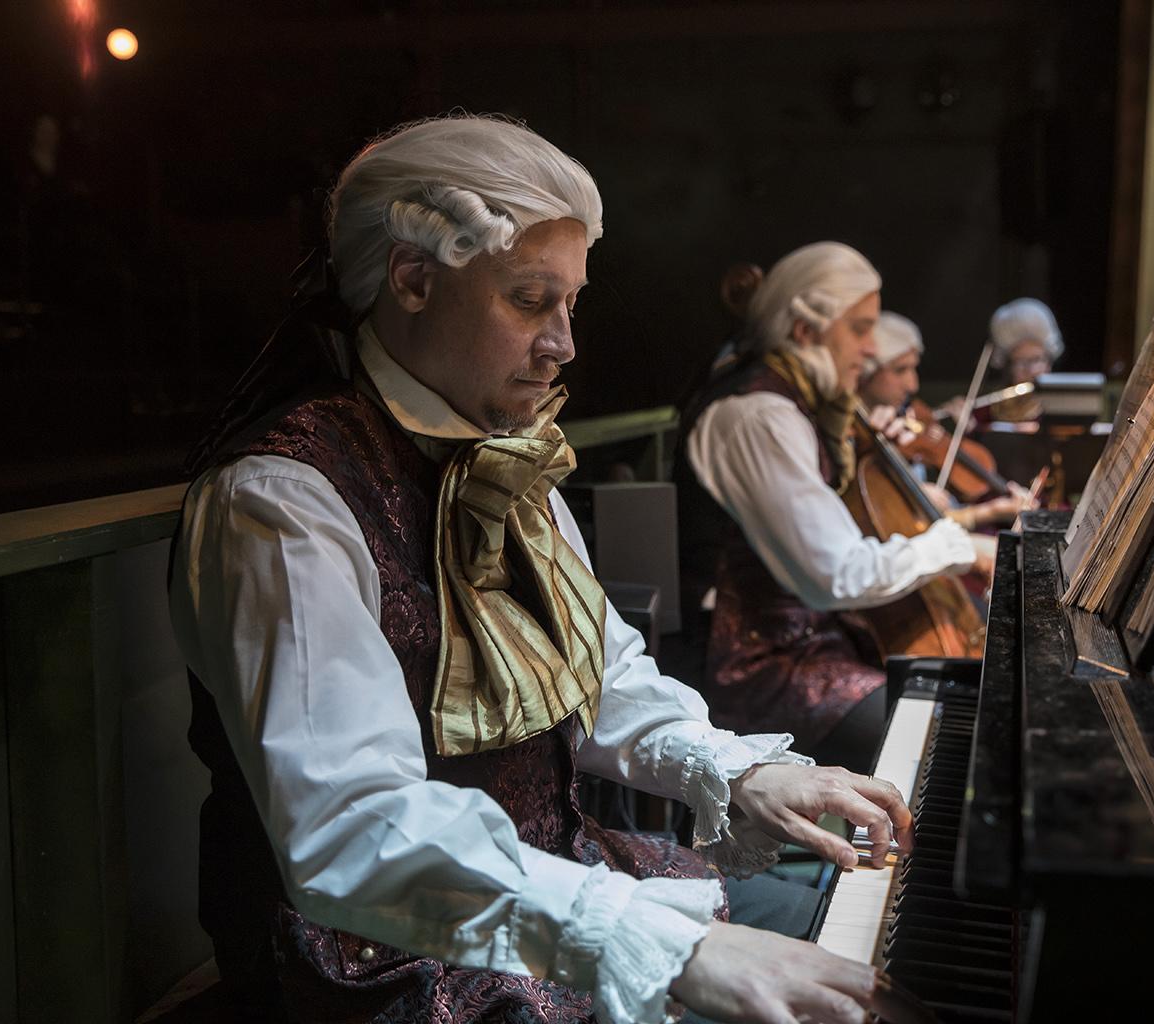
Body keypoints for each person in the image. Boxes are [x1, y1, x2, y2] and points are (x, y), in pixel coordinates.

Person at [168, 116, 926, 1024]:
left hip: (557, 883)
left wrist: (736, 773)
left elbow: (597, 677)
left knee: (865, 949)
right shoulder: (282, 502)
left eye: (572, 303)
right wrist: (663, 944)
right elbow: (352, 828)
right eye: (531, 300)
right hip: (378, 965)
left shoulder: (502, 454)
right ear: (412, 279)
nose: (565, 344)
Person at [675, 242, 991, 773]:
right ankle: (904, 854)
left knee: (964, 700)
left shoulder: (793, 404)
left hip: (806, 641)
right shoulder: (759, 416)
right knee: (956, 732)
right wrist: (954, 546)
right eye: (860, 328)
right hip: (752, 665)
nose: (870, 349)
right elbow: (837, 575)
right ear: (806, 332)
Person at [859, 311, 1034, 531]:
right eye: (900, 370)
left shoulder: (905, 422)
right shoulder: (854, 438)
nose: (912, 385)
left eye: (914, 368)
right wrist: (991, 511)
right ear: (865, 371)